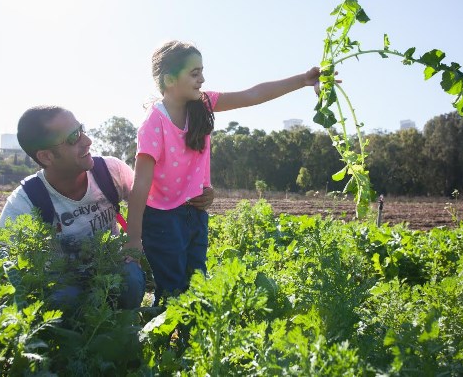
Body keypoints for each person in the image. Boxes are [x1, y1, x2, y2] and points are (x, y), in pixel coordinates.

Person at [124, 40, 326, 306]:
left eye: (202, 71)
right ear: (170, 79)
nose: (202, 79)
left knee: (197, 288)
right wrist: (133, 240)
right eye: (194, 73)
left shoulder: (204, 104)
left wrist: (302, 80)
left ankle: (191, 343)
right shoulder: (154, 123)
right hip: (162, 220)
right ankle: (166, 342)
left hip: (195, 212)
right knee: (172, 292)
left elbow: (252, 95)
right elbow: (140, 186)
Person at [0, 105, 214, 310]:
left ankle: (124, 326)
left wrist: (197, 192)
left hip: (112, 273)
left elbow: (157, 201)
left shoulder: (110, 172)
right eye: (74, 138)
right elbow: (5, 266)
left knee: (130, 279)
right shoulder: (26, 202)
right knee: (65, 299)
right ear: (46, 156)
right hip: (64, 284)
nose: (88, 141)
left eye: (81, 130)